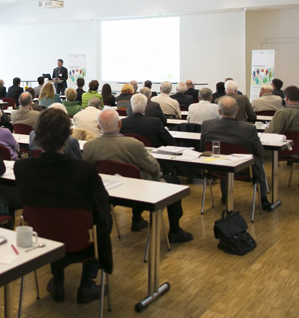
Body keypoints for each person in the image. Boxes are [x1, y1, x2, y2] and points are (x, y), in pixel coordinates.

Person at [14, 107, 111, 304]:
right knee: (102, 218)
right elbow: (102, 201)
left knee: (53, 219)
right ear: (68, 134)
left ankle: (57, 280)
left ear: (36, 135)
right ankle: (87, 283)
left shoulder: (22, 168)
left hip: (40, 238)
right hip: (81, 240)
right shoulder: (85, 170)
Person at [83, 110, 193, 241]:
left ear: (98, 127)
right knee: (174, 183)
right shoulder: (134, 144)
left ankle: (137, 219)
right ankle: (175, 231)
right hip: (139, 191)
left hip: (108, 191)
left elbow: (89, 171)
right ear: (119, 124)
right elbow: (154, 168)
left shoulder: (89, 147)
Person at [200, 96, 273, 210]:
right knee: (257, 160)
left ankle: (225, 195)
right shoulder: (249, 128)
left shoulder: (207, 125)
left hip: (216, 168)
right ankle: (263, 199)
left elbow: (203, 147)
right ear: (237, 110)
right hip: (244, 170)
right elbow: (259, 151)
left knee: (222, 159)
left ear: (219, 111)